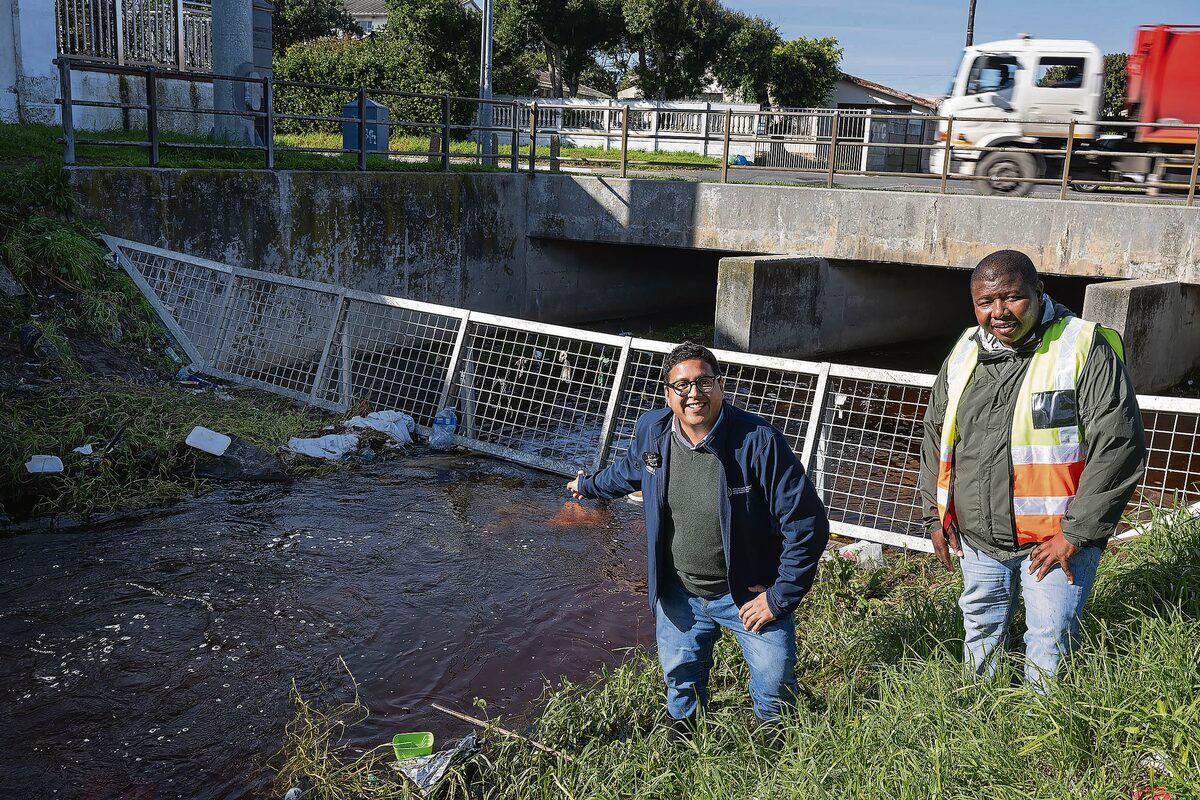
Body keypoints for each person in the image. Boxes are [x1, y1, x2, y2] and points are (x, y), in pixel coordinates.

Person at [567, 342, 829, 722]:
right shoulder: (653, 432)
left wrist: (780, 596)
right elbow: (627, 472)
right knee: (681, 680)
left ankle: (777, 750)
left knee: (775, 686)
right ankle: (687, 741)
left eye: (704, 382)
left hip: (746, 594)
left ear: (720, 386)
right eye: (682, 385)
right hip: (678, 593)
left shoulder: (757, 441)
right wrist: (587, 486)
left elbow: (806, 522)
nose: (694, 394)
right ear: (668, 393)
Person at [920, 250, 1146, 689]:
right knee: (980, 631)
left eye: (1012, 298)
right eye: (986, 302)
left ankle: (1044, 740)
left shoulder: (1082, 346)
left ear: (1039, 292)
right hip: (978, 537)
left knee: (1049, 642)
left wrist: (1077, 534)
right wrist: (935, 513)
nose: (998, 313)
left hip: (1056, 541)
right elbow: (936, 433)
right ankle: (980, 723)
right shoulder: (965, 350)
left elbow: (1118, 446)